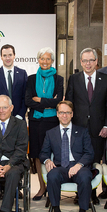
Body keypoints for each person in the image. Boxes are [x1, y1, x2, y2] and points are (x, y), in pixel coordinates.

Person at [65, 47, 107, 205]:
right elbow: (69, 103)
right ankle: (80, 192)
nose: (88, 63)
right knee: (79, 160)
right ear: (81, 62)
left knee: (94, 161)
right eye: (85, 60)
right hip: (78, 128)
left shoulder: (105, 79)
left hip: (98, 129)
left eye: (91, 60)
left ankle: (92, 193)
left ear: (96, 61)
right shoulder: (74, 79)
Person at [39, 101, 95, 212]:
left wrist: (78, 165)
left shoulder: (82, 131)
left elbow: (89, 153)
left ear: (72, 114)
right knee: (52, 175)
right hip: (60, 167)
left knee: (86, 176)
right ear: (57, 114)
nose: (65, 115)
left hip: (78, 167)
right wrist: (47, 160)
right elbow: (43, 153)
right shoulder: (50, 133)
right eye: (62, 112)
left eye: (68, 112)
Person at [25, 47, 64, 201]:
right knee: (37, 154)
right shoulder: (31, 79)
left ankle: (53, 185)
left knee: (53, 154)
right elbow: (28, 100)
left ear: (52, 61)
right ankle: (42, 187)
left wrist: (40, 100)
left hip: (52, 121)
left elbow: (58, 101)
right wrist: (49, 102)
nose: (45, 61)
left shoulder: (59, 79)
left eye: (48, 59)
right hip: (35, 121)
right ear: (38, 60)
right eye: (42, 58)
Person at [0, 44, 28, 120]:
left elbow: (25, 97)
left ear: (14, 55)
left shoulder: (22, 74)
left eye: (10, 55)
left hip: (19, 118)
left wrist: (20, 115)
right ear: (1, 57)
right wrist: (1, 114)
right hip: (0, 118)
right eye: (5, 55)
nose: (7, 58)